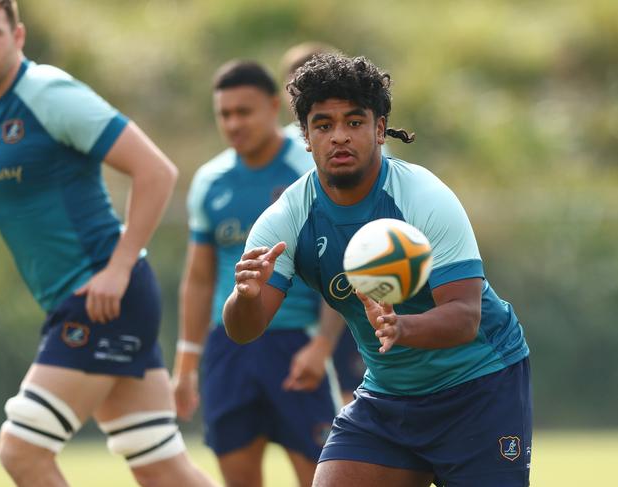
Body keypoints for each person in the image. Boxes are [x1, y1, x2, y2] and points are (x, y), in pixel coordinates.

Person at [223, 53, 532, 487]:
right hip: (390, 397)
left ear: (380, 129)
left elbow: (465, 318)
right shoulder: (286, 218)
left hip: (479, 386)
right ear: (307, 138)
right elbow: (243, 330)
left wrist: (400, 328)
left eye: (354, 122)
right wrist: (245, 297)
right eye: (323, 125)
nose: (339, 137)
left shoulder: (423, 197)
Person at [0, 2, 216, 486]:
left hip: (105, 296)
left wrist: (118, 268)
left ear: (18, 37)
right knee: (162, 467)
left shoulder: (48, 93)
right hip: (81, 302)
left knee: (21, 450)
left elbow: (156, 171)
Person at [172, 60, 343, 487]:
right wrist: (186, 364)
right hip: (229, 347)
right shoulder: (211, 181)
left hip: (295, 344)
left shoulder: (309, 172)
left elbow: (340, 266)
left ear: (274, 107)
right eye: (224, 114)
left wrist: (322, 345)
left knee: (322, 478)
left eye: (243, 112)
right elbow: (198, 277)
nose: (233, 123)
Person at [280, 42, 366, 405]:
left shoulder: (362, 150)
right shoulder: (280, 148)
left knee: (352, 401)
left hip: (352, 289)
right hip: (299, 303)